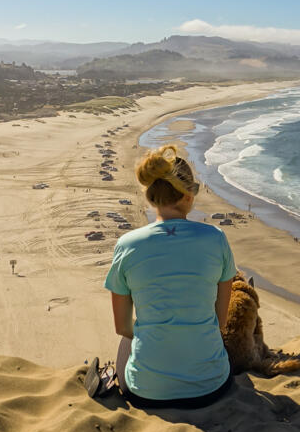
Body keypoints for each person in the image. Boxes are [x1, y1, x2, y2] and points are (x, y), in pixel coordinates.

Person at [92, 145, 235, 408]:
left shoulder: (128, 245)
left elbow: (122, 327)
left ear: (150, 197)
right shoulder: (216, 238)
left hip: (147, 392)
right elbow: (221, 320)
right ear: (189, 196)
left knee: (127, 337)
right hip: (211, 386)